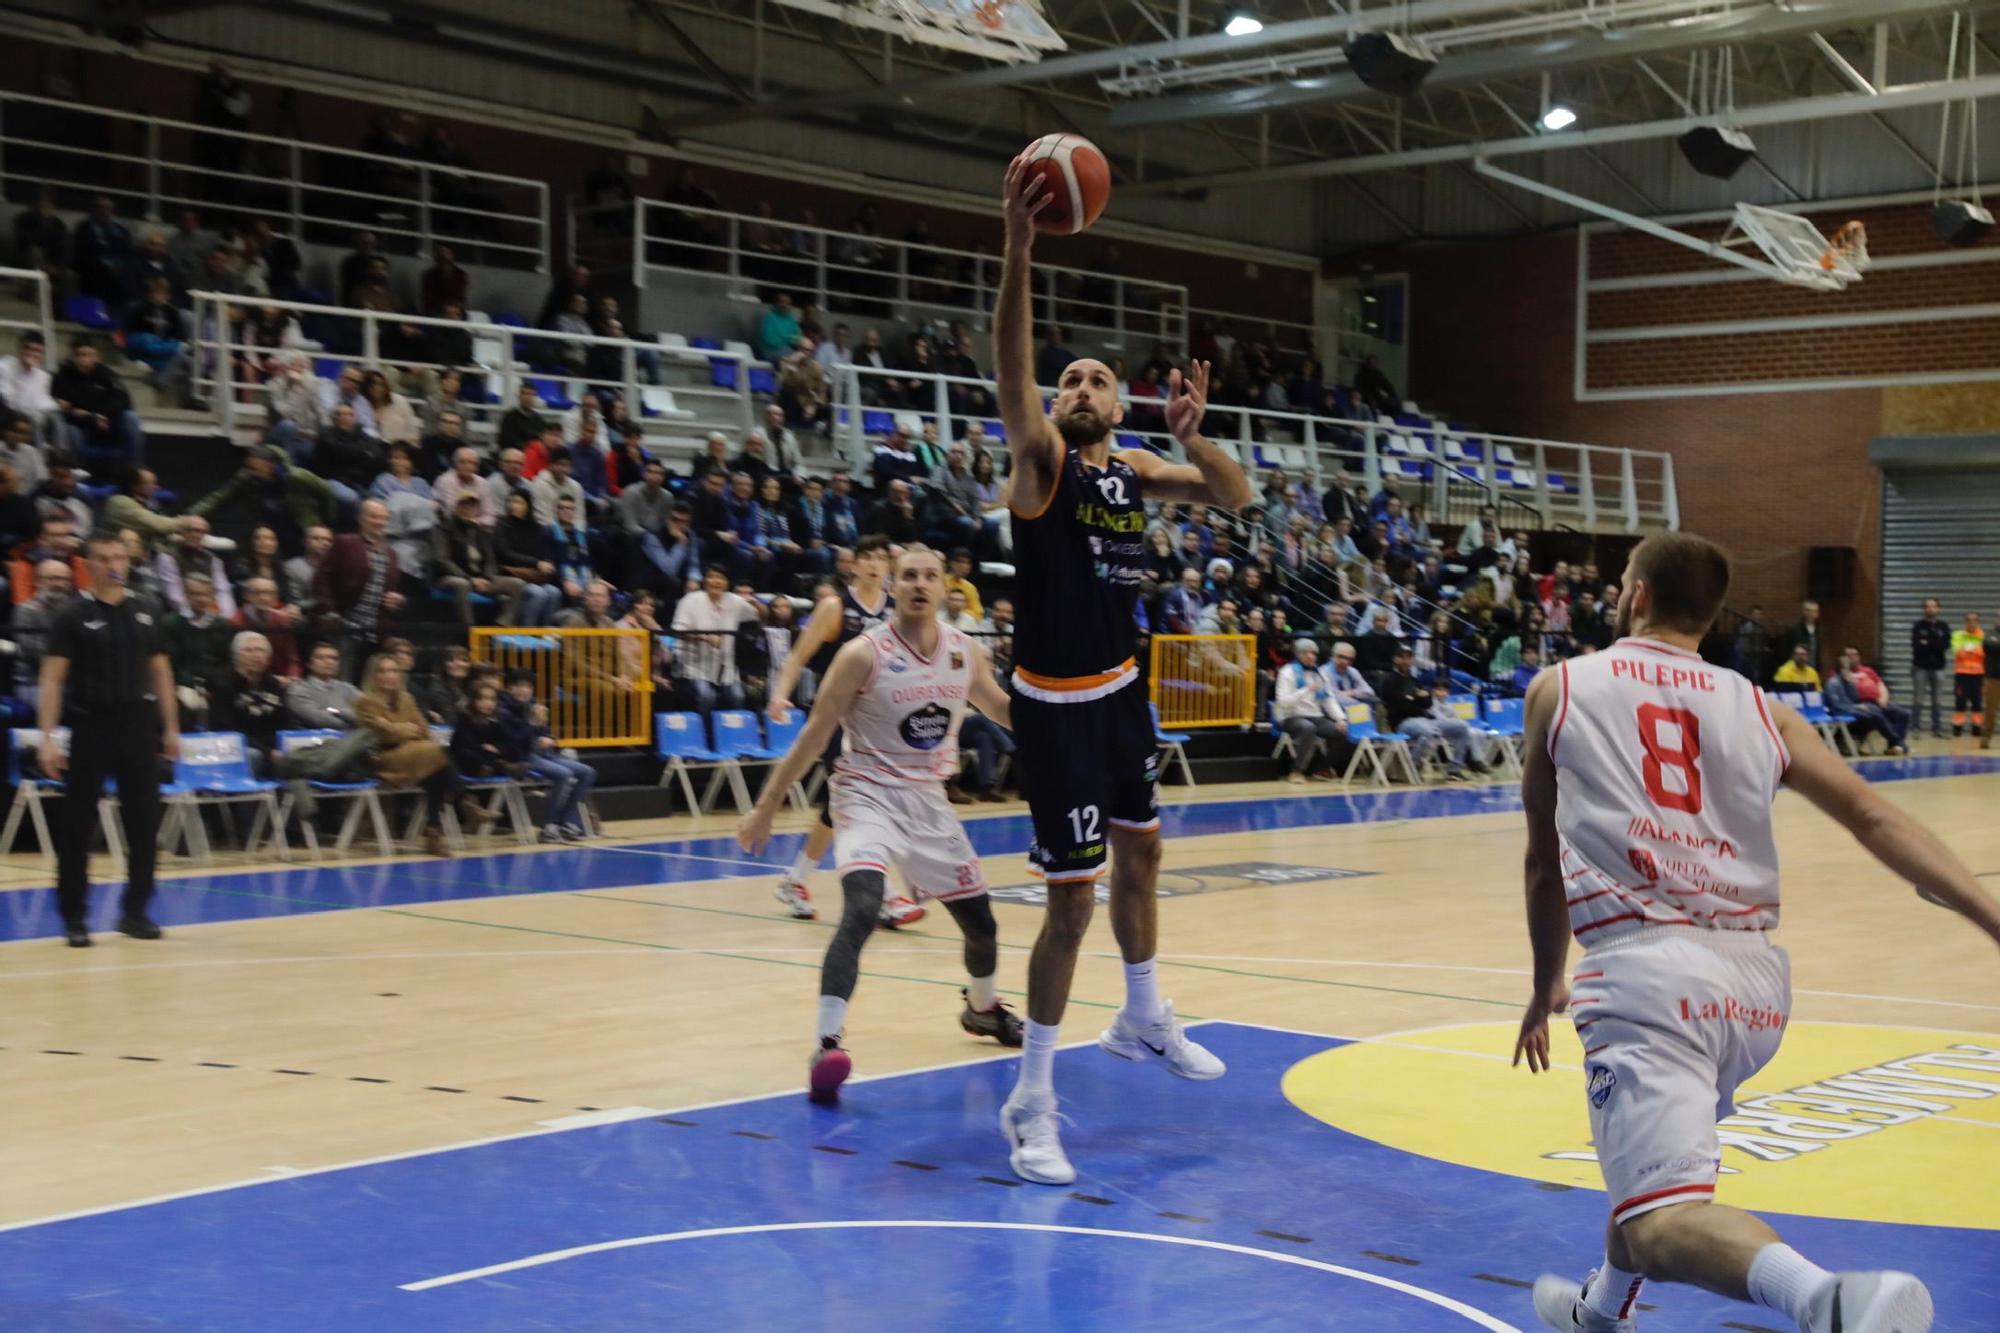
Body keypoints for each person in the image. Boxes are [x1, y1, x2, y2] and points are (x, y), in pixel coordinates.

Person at [1516, 530, 2000, 1333]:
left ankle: (1830, 1299)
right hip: (1754, 988)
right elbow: (1873, 814)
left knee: (1659, 1220)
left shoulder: (1560, 688)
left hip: (1647, 975)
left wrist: (1544, 986)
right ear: (1709, 614)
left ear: (1634, 594)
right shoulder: (1765, 708)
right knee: (1651, 1168)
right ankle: (1598, 1314)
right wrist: (1991, 917)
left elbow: (1543, 865)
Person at [990, 157, 1253, 1186]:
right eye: (1070, 381)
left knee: (1144, 855)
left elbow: (1233, 496)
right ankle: (1031, 1100)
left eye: (1097, 377)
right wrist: (1017, 250)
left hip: (1122, 693)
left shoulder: (1133, 471)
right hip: (1054, 711)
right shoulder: (1044, 463)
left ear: (1123, 401)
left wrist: (1196, 436)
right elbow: (1013, 377)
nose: (1080, 387)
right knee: (1070, 906)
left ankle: (1142, 1014)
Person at [737, 545, 1024, 1105]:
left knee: (983, 928)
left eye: (930, 576)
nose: (919, 584)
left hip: (928, 801)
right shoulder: (861, 654)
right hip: (865, 794)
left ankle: (983, 1010)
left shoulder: (964, 651)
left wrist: (1061, 719)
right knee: (864, 906)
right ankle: (826, 1045)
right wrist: (766, 806)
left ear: (946, 588)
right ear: (892, 587)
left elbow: (1002, 709)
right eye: (909, 576)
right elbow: (816, 733)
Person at [38, 530, 180, 947]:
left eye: (118, 556)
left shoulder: (147, 610)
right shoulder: (72, 615)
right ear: (89, 563)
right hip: (90, 725)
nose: (112, 564)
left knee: (143, 821)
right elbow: (51, 678)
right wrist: (47, 737)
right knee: (78, 825)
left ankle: (135, 911)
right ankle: (74, 917)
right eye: (103, 557)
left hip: (137, 724)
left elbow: (162, 673)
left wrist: (170, 727)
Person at [764, 533, 896, 922]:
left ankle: (795, 879)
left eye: (881, 558)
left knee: (842, 806)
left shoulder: (894, 609)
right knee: (861, 800)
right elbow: (796, 657)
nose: (874, 564)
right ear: (853, 565)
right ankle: (884, 894)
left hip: (877, 718)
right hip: (834, 715)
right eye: (867, 557)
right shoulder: (835, 607)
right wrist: (779, 695)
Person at [356, 652, 480, 857]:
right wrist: (405, 728)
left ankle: (434, 832)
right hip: (385, 761)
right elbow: (384, 736)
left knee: (436, 774)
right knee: (436, 753)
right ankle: (465, 801)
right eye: (383, 671)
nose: (390, 675)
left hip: (417, 758)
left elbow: (423, 730)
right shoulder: (365, 702)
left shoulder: (407, 698)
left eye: (394, 671)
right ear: (373, 675)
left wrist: (396, 727)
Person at [496, 668, 597, 841]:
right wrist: (533, 724)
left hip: (544, 753)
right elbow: (513, 742)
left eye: (527, 686)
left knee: (587, 772)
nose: (524, 690)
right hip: (521, 757)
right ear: (508, 689)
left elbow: (545, 731)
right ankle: (548, 826)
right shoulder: (503, 711)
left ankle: (565, 822)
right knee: (564, 774)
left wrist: (549, 738)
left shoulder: (533, 705)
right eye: (518, 686)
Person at [1273, 639, 1352, 783]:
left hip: (1315, 716)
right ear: (1298, 654)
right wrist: (1305, 690)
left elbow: (1329, 700)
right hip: (1290, 716)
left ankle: (1323, 768)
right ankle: (1296, 771)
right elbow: (1283, 702)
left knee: (1342, 730)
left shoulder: (1319, 674)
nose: (1311, 656)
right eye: (1306, 653)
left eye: (1313, 653)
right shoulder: (1287, 672)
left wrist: (1341, 719)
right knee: (1308, 728)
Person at [1824, 647, 1910, 755]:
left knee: (1901, 713)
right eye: (1845, 669)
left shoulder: (1859, 675)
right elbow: (1836, 704)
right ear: (1840, 669)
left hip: (1866, 704)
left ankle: (1894, 745)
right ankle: (1898, 742)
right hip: (1845, 709)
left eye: (1855, 655)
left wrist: (1851, 684)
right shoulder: (1833, 682)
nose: (1848, 671)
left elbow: (1856, 696)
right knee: (1874, 715)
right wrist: (1856, 706)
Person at [288, 640, 362, 728]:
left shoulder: (349, 689)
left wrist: (337, 711)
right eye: (320, 658)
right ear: (309, 664)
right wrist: (353, 721)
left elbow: (370, 714)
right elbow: (320, 721)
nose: (329, 662)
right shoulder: (298, 690)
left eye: (334, 658)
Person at [1909, 597, 1950, 740]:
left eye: (1933, 606)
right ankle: (1915, 728)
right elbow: (1917, 646)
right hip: (1920, 667)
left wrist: (1927, 642)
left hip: (1939, 668)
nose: (1931, 609)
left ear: (1938, 609)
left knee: (1937, 700)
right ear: (1924, 609)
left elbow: (1945, 646)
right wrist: (1934, 643)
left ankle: (1937, 728)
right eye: (1928, 606)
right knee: (1918, 699)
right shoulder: (1918, 626)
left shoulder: (1943, 626)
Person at [1950, 611, 1985, 736]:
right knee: (1960, 701)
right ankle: (1957, 728)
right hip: (1961, 674)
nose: (1971, 623)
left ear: (1977, 622)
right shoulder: (1958, 635)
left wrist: (1968, 649)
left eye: (1974, 620)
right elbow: (1957, 651)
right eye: (1969, 620)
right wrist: (1973, 650)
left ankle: (1977, 728)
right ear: (1965, 622)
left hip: (1978, 674)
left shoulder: (1983, 636)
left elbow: (1984, 654)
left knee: (1977, 701)